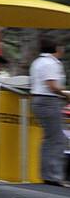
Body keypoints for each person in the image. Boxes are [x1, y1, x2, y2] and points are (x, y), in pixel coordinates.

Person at [29, 38, 67, 186]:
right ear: (56, 48)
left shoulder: (37, 62)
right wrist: (66, 95)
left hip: (39, 100)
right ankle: (54, 176)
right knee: (57, 139)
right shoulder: (51, 63)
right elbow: (52, 86)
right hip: (48, 101)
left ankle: (47, 174)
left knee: (50, 138)